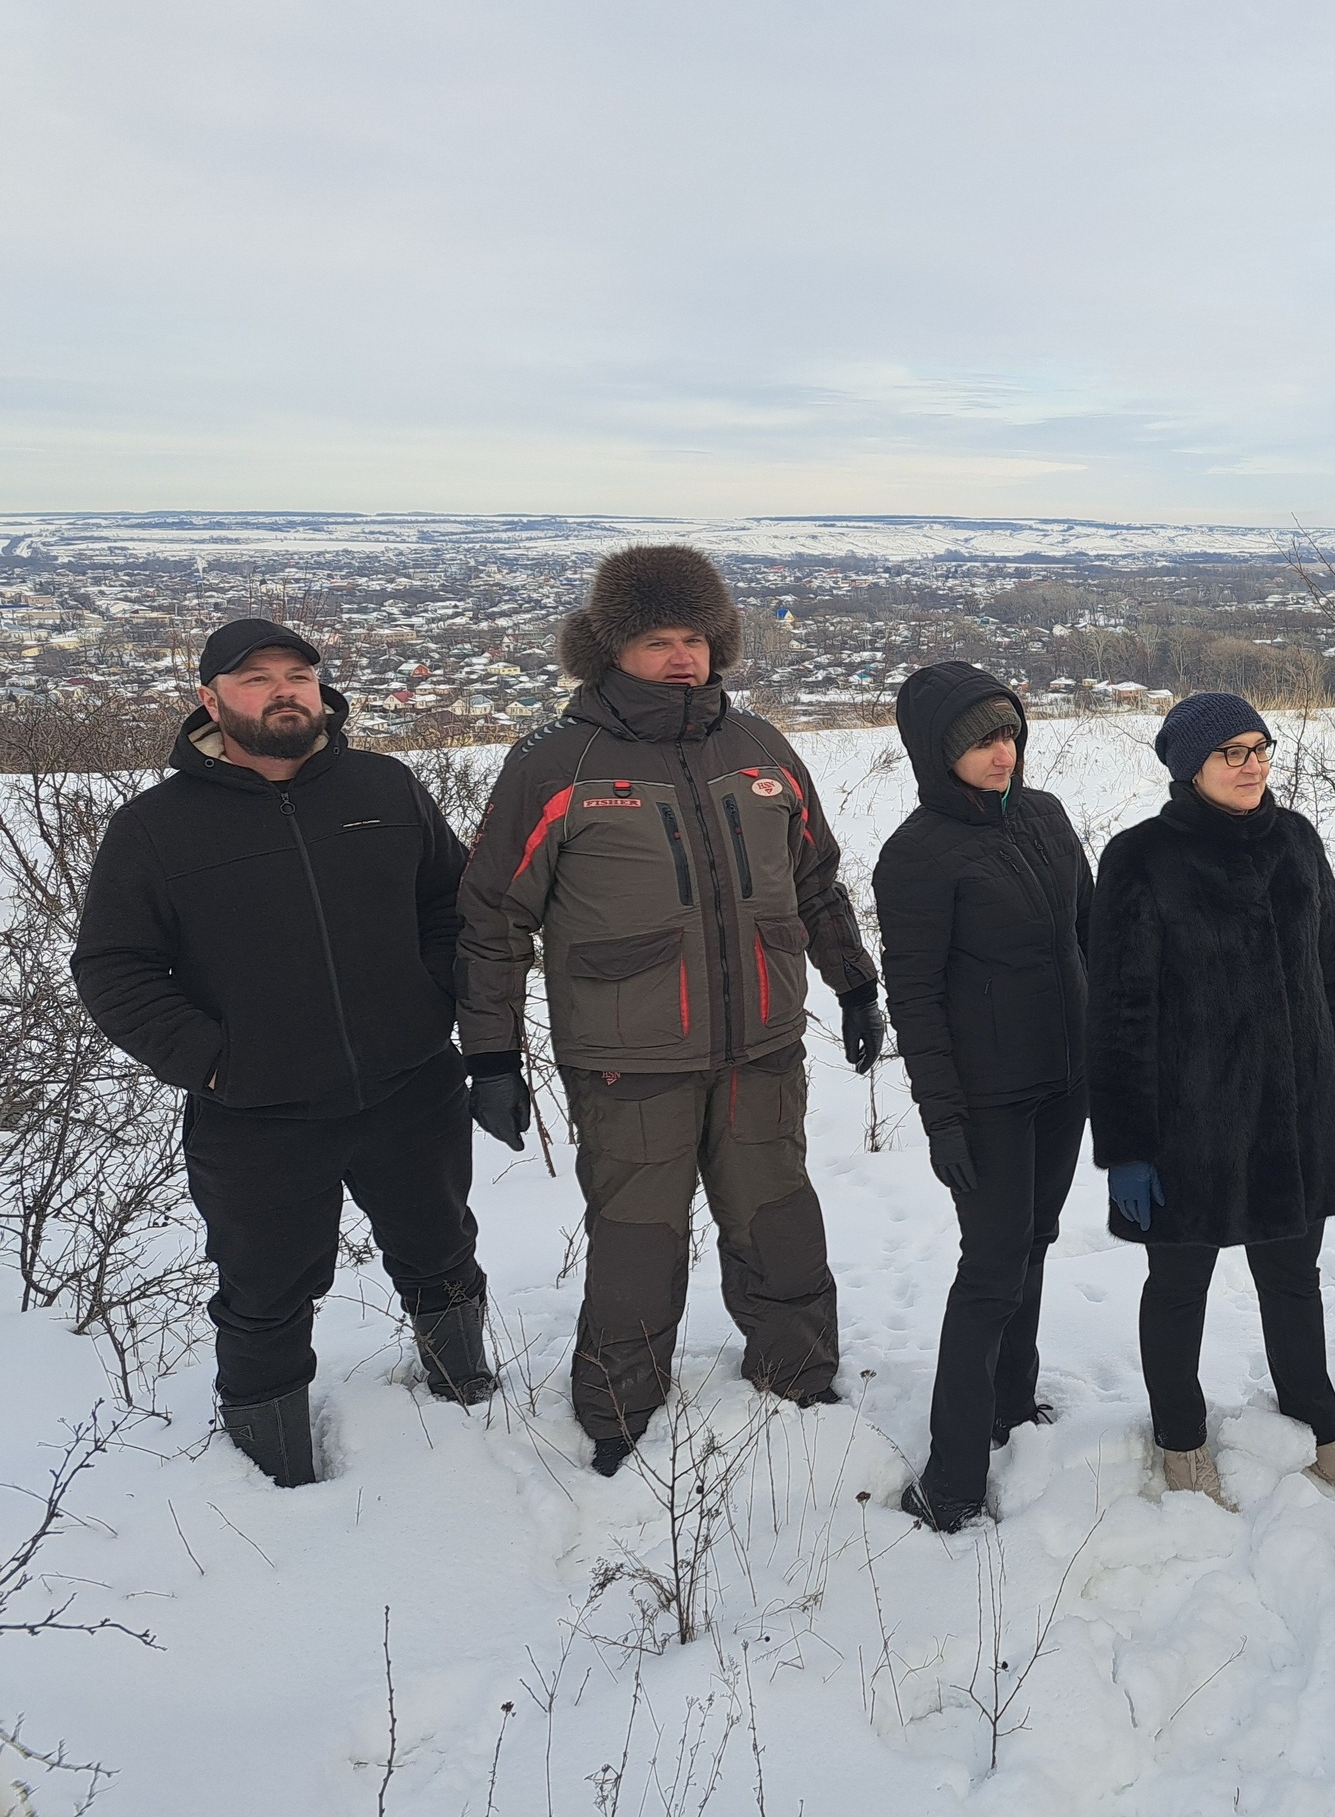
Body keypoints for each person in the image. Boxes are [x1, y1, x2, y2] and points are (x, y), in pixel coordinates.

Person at [456, 545, 882, 1475]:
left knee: (778, 1217)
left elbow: (815, 880)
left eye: (694, 636)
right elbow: (492, 920)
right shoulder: (556, 762)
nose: (681, 657)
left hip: (762, 1043)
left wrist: (855, 983)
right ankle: (617, 1408)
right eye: (656, 640)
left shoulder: (762, 748)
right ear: (609, 648)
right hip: (628, 1057)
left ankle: (800, 1374)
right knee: (638, 1242)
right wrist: (489, 1059)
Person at [72, 619, 492, 1487]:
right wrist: (213, 1061)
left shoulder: (383, 784)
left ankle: (464, 1396)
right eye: (255, 678)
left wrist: (434, 1003)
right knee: (263, 1290)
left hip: (411, 1087)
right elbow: (114, 966)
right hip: (256, 1112)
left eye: (298, 673)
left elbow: (451, 906)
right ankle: (274, 1470)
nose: (283, 690)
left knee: (441, 1246)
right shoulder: (156, 828)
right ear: (210, 699)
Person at [1086, 692, 1335, 1508]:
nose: (1254, 763)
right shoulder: (1140, 858)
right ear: (1190, 767)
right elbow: (1118, 1013)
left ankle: (1319, 1431)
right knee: (1179, 1285)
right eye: (1232, 752)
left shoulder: (1295, 840)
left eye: (1260, 746)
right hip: (1190, 1127)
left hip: (1299, 1117)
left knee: (1294, 1281)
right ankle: (1181, 1443)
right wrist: (1125, 1146)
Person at [874, 662, 1092, 1531]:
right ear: (937, 752)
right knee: (991, 1270)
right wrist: (943, 1115)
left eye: (1009, 734)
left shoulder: (1043, 816)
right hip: (991, 1098)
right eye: (980, 742)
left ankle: (1012, 1402)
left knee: (1034, 1243)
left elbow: (1092, 934)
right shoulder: (916, 855)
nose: (1002, 753)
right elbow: (915, 999)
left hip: (1063, 1080)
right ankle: (952, 1475)